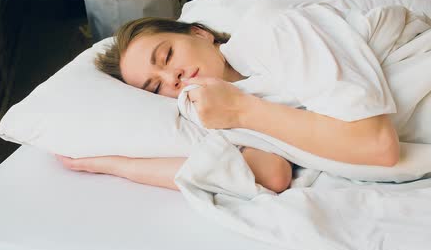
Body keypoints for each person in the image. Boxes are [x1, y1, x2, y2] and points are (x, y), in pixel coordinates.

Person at [57, 12, 401, 193]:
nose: (171, 78)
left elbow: (377, 145)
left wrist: (243, 110)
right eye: (155, 87)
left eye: (167, 56)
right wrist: (115, 164)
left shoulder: (272, 30)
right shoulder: (208, 110)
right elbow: (271, 174)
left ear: (199, 33)